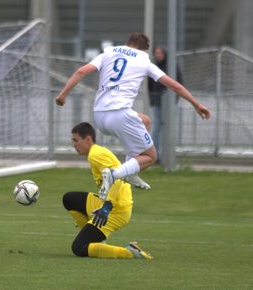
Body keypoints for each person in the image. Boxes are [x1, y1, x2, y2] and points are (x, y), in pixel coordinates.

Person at [55, 32, 210, 195]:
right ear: (145, 50)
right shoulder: (143, 60)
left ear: (128, 43)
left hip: (100, 116)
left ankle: (131, 172)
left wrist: (63, 95)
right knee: (150, 156)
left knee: (145, 121)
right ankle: (114, 174)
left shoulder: (109, 52)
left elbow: (81, 71)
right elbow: (175, 86)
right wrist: (196, 104)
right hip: (120, 115)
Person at [63, 122, 152, 259]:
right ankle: (95, 238)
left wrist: (106, 207)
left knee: (78, 248)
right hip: (108, 202)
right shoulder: (96, 152)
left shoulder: (95, 155)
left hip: (116, 209)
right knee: (69, 199)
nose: (74, 145)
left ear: (88, 139)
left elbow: (117, 178)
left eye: (76, 141)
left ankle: (130, 252)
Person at [148, 45, 183, 162]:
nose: (158, 55)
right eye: (156, 53)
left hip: (170, 103)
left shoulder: (172, 66)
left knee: (167, 128)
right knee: (157, 127)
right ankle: (156, 155)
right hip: (157, 102)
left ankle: (167, 156)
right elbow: (149, 85)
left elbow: (179, 83)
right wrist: (152, 99)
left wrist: (175, 99)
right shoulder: (153, 66)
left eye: (160, 53)